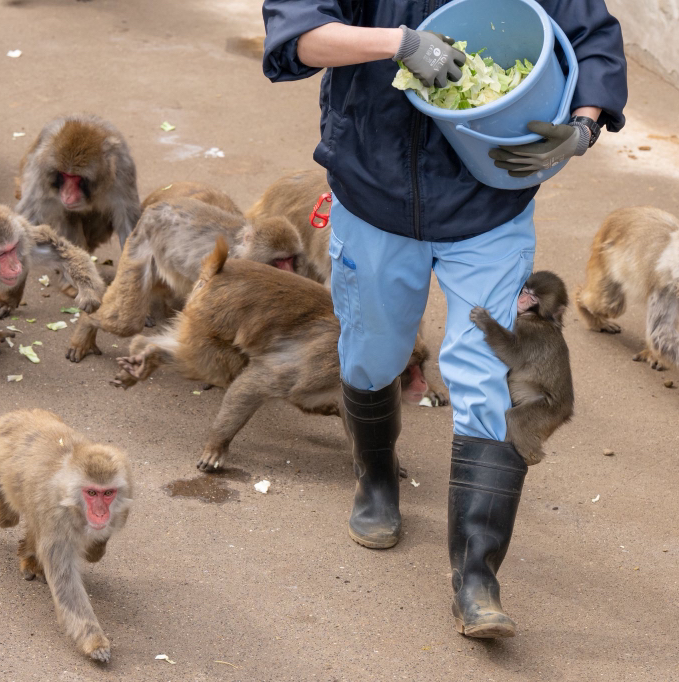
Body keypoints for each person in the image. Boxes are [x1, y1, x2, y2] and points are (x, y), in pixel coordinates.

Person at [262, 0, 627, 638]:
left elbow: (589, 33)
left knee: (485, 371)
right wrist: (398, 43)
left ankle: (476, 575)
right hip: (374, 196)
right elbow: (301, 36)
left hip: (490, 205)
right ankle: (376, 478)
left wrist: (583, 126)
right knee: (374, 352)